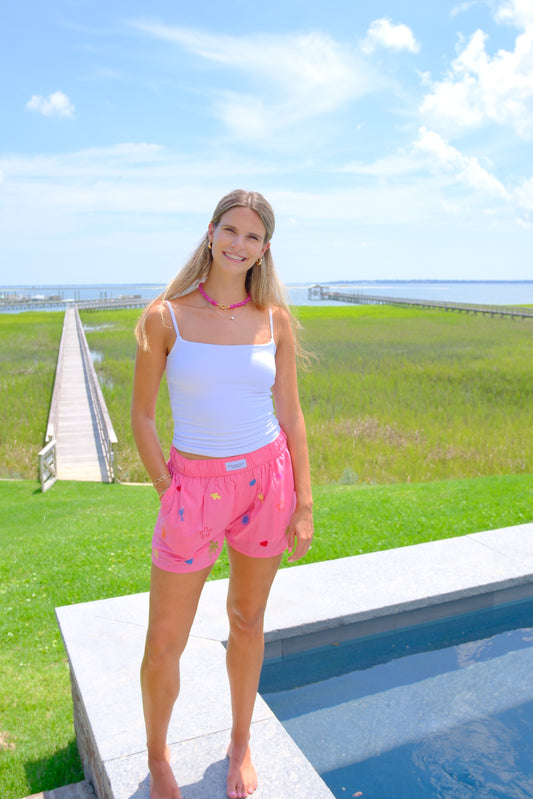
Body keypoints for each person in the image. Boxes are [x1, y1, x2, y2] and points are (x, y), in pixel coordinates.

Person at [131, 189, 314, 799]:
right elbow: (143, 418)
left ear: (266, 249)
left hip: (268, 482)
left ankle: (240, 746)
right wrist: (167, 488)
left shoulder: (276, 321)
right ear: (210, 232)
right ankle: (158, 759)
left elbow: (291, 415)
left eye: (253, 236)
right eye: (230, 230)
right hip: (192, 488)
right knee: (164, 642)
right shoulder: (166, 317)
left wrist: (305, 503)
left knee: (247, 617)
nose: (240, 244)